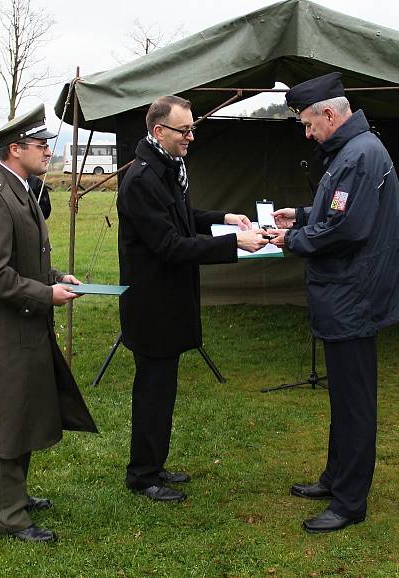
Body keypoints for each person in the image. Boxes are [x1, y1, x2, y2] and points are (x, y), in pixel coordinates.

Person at [268, 72, 399, 533]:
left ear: (330, 114)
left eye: (309, 125)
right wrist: (304, 213)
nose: (308, 133)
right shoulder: (355, 150)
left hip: (353, 295)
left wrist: (291, 238)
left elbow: (346, 229)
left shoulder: (358, 154)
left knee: (354, 404)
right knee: (343, 396)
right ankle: (335, 478)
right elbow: (342, 210)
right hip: (347, 294)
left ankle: (350, 501)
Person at [117, 95, 268, 502]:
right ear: (158, 132)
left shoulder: (169, 168)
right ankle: (143, 475)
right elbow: (169, 244)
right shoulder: (142, 179)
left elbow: (183, 216)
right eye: (184, 131)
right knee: (152, 391)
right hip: (152, 306)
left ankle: (154, 464)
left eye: (192, 128)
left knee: (163, 390)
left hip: (169, 301)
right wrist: (234, 244)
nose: (191, 137)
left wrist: (223, 219)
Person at [0, 104, 98, 542]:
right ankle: (10, 517)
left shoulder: (22, 189)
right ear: (15, 149)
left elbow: (22, 259)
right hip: (6, 327)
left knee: (20, 411)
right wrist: (46, 295)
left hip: (25, 323)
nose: (47, 153)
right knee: (5, 418)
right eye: (41, 146)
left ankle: (15, 495)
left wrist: (57, 278)